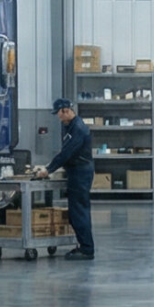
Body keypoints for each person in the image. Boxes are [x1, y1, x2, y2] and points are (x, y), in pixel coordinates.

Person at [33, 98, 95, 260]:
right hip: (76, 171)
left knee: (79, 212)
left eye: (59, 114)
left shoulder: (78, 129)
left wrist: (48, 170)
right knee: (76, 213)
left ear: (65, 111)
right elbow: (66, 153)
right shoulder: (70, 126)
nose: (58, 118)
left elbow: (66, 153)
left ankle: (87, 249)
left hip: (81, 174)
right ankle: (83, 246)